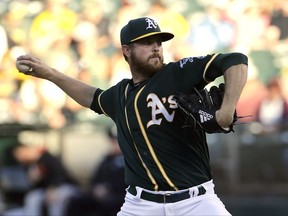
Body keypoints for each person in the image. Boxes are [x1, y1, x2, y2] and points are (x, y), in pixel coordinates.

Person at [16, 17, 248, 216]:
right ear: (126, 50)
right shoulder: (120, 94)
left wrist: (226, 111)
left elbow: (235, 60)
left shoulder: (179, 73)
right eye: (146, 43)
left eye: (158, 42)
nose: (156, 47)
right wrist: (50, 74)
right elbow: (91, 96)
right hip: (141, 205)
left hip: (196, 202)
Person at [65, 125, 126, 216]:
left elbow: (126, 183)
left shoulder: (129, 160)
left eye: (117, 141)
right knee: (75, 202)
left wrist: (108, 188)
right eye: (112, 141)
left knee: (109, 205)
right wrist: (96, 188)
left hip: (118, 197)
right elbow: (95, 177)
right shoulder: (107, 159)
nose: (115, 144)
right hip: (100, 195)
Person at [4, 144, 79, 216]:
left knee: (56, 198)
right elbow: (35, 186)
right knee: (32, 197)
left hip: (64, 187)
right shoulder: (30, 165)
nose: (20, 158)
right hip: (46, 190)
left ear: (25, 149)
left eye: (20, 154)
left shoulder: (47, 157)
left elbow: (60, 175)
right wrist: (34, 180)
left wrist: (52, 188)